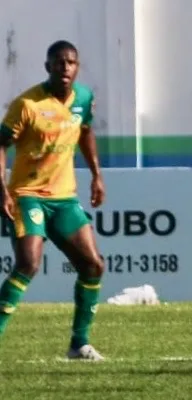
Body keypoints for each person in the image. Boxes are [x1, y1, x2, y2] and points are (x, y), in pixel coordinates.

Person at [0, 40, 106, 360]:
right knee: (29, 263)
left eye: (70, 62)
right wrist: (2, 189)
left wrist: (96, 175)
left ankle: (79, 343)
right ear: (48, 67)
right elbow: (1, 144)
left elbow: (85, 132)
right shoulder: (28, 104)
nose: (65, 68)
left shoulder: (84, 98)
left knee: (92, 266)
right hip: (27, 196)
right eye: (58, 63)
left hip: (63, 197)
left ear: (77, 67)